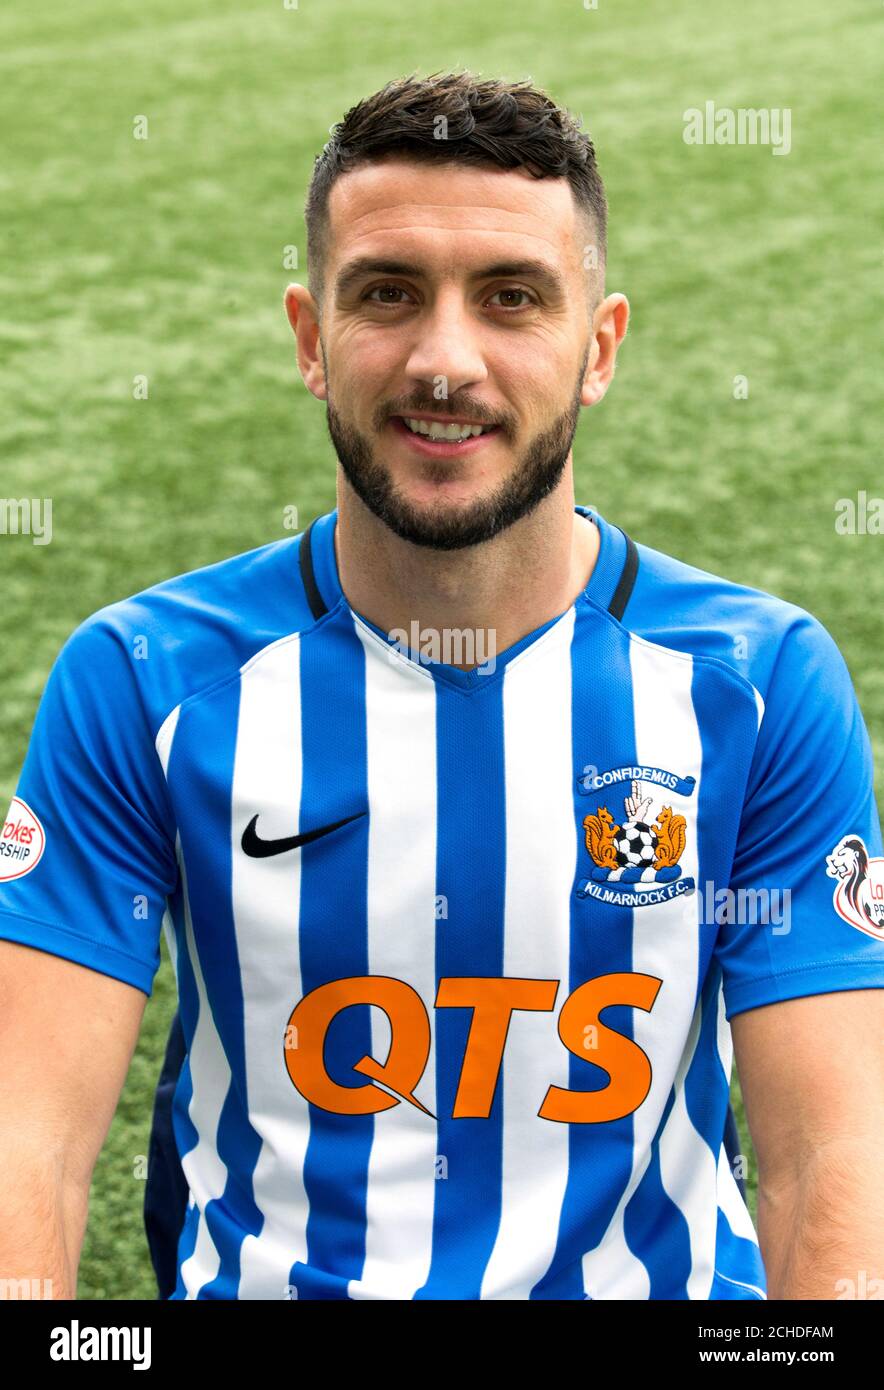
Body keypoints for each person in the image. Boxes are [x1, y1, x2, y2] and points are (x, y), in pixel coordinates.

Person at [1, 71, 882, 1302]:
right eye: (387, 294)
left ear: (597, 348)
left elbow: (824, 1161)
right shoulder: (145, 680)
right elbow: (28, 1150)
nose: (443, 361)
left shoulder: (757, 684)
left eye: (511, 297)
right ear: (310, 340)